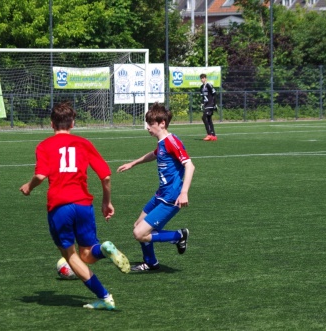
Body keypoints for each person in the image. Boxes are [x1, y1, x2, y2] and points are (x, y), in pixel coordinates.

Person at [19, 101, 130, 311]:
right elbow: (106, 177)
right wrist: (106, 201)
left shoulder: (44, 146)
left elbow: (41, 175)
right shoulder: (84, 143)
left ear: (52, 124)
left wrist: (28, 187)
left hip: (60, 206)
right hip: (83, 204)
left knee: (71, 255)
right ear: (73, 123)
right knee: (87, 254)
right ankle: (104, 250)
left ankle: (105, 297)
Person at [117, 102, 195, 272]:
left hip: (171, 198)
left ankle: (179, 235)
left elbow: (190, 165)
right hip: (160, 194)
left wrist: (184, 192)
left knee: (140, 234)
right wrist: (133, 163)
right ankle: (151, 262)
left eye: (150, 124)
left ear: (162, 124)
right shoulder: (162, 143)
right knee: (137, 226)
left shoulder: (172, 141)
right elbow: (154, 154)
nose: (148, 128)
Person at [199, 73, 218, 141]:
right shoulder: (201, 87)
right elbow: (202, 97)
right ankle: (213, 135)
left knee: (204, 117)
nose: (202, 79)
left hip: (210, 104)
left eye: (203, 78)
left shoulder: (208, 85)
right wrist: (202, 103)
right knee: (209, 119)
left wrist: (215, 104)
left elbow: (214, 93)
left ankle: (209, 134)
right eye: (201, 78)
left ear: (206, 78)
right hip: (206, 105)